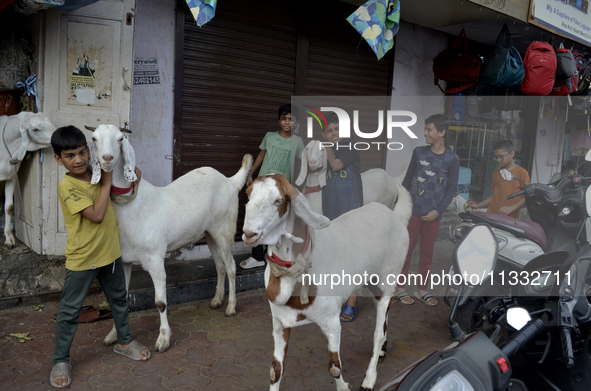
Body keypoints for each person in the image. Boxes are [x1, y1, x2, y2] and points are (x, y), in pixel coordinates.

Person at [50, 126, 149, 389]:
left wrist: (131, 176)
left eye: (82, 152)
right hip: (83, 258)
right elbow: (96, 214)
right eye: (70, 156)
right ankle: (61, 360)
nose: (79, 160)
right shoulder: (68, 185)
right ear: (58, 159)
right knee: (70, 310)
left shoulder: (95, 174)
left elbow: (120, 190)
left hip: (111, 253)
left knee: (119, 299)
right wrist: (106, 182)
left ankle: (124, 341)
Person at [396, 114, 459, 307]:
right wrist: (401, 205)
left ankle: (422, 289)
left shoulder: (452, 159)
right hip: (413, 211)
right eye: (425, 129)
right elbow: (407, 181)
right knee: (405, 250)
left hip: (434, 215)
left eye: (429, 130)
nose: (425, 133)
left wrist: (438, 211)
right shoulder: (419, 152)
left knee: (427, 253)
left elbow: (451, 190)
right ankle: (399, 287)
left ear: (441, 132)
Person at [239, 104, 305, 269]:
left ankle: (278, 254)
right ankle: (258, 257)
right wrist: (251, 174)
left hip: (280, 190)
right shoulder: (269, 136)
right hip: (262, 186)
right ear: (279, 121)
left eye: (291, 119)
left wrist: (300, 184)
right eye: (284, 119)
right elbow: (261, 155)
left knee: (278, 220)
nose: (287, 122)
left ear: (296, 123)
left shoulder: (298, 142)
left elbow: (301, 164)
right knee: (258, 218)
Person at [320, 112, 364, 321]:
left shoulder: (349, 145)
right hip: (330, 209)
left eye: (337, 129)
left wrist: (326, 147)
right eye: (330, 131)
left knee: (350, 254)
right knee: (334, 255)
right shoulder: (322, 151)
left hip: (350, 207)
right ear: (324, 133)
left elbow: (336, 165)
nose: (334, 133)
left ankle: (352, 300)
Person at [467, 139, 530, 219]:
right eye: (496, 157)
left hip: (510, 217)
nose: (498, 160)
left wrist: (511, 208)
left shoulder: (522, 173)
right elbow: (495, 194)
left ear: (512, 154)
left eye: (501, 156)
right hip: (492, 213)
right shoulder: (497, 172)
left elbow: (527, 197)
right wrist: (478, 205)